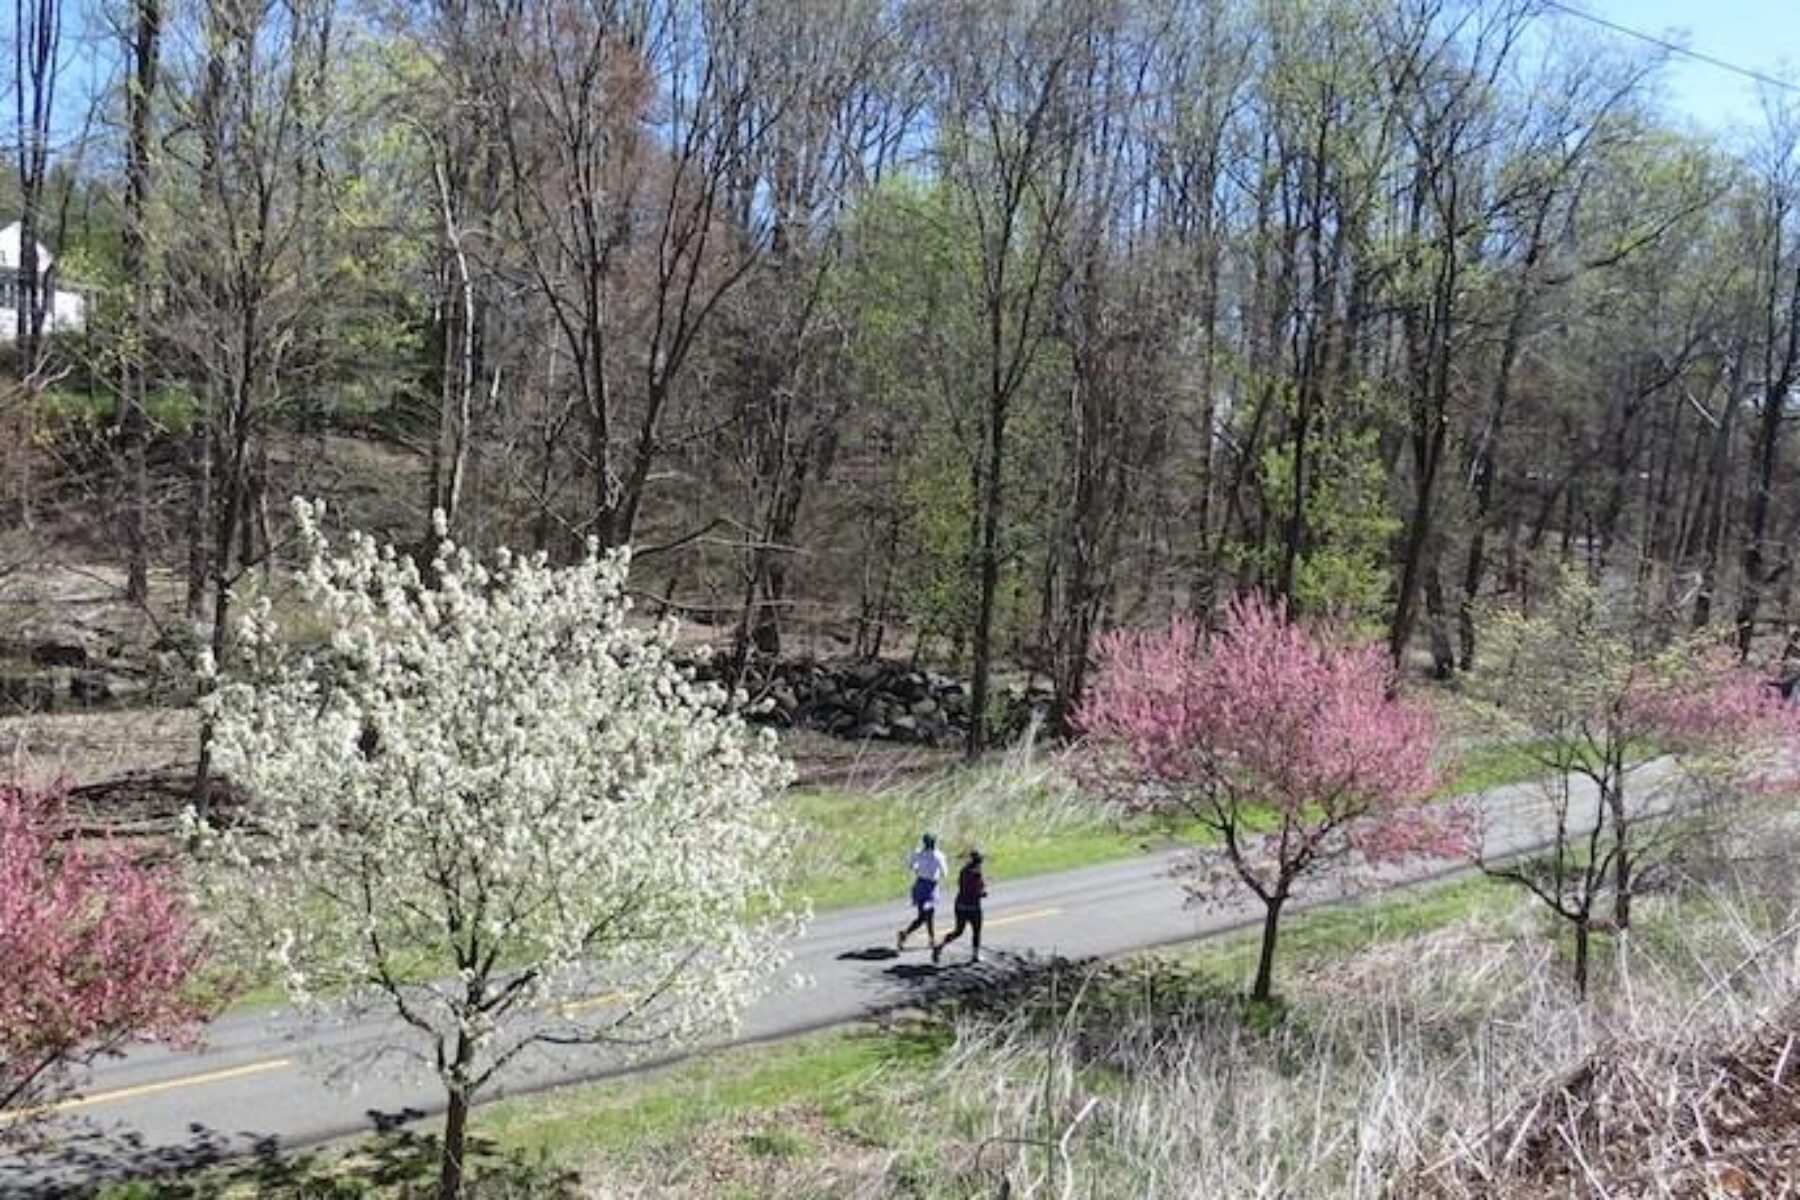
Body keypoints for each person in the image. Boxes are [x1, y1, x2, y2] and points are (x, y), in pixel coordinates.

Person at [934, 849, 986, 964]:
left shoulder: (963, 871)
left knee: (958, 931)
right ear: (979, 862)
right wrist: (983, 893)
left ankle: (940, 946)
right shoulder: (977, 874)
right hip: (973, 907)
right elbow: (977, 891)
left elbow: (961, 885)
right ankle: (975, 955)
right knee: (976, 931)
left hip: (960, 905)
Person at [897, 832, 948, 950]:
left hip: (919, 885)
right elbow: (945, 873)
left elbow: (910, 865)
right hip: (931, 886)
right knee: (928, 914)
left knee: (924, 916)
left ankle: (908, 935)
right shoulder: (938, 856)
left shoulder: (918, 853)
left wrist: (918, 869)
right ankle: (930, 939)